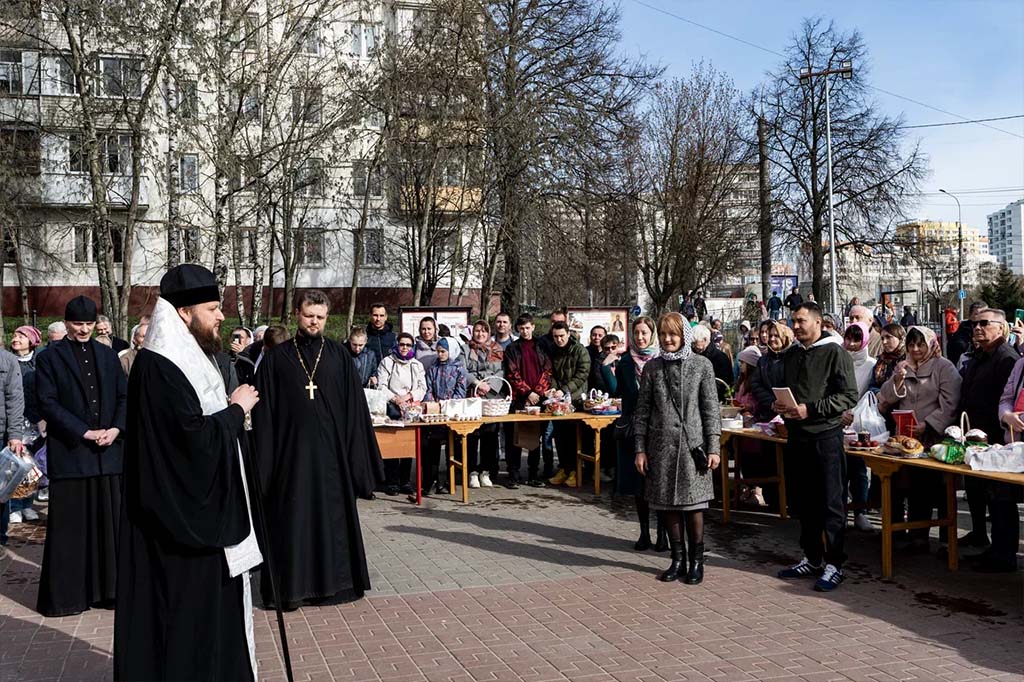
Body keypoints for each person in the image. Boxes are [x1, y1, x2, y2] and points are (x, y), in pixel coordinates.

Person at [114, 264, 263, 681]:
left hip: (194, 517)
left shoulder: (187, 356)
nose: (221, 316)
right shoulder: (162, 366)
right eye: (213, 308)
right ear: (184, 312)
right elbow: (191, 443)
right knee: (185, 625)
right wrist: (236, 410)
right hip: (181, 528)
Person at [252, 290, 385, 610]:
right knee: (292, 522)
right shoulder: (276, 358)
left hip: (331, 459)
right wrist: (264, 466)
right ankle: (292, 589)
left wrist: (358, 463)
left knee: (332, 522)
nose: (314, 321)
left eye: (321, 317)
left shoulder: (339, 356)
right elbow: (264, 415)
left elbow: (355, 413)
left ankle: (335, 586)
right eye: (309, 315)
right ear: (297, 313)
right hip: (290, 459)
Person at [35, 295, 128, 616]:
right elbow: (47, 402)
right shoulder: (50, 358)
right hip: (72, 454)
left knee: (109, 528)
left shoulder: (108, 355)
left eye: (89, 324)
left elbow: (122, 396)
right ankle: (68, 597)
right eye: (78, 324)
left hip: (108, 454)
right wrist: (83, 432)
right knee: (70, 531)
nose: (84, 329)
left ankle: (109, 592)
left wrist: (116, 429)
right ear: (67, 322)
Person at [775, 302, 858, 592]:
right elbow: (793, 392)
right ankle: (812, 557)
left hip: (826, 436)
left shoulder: (835, 352)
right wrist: (782, 405)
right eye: (793, 321)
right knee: (803, 501)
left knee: (831, 502)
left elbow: (848, 396)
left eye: (801, 321)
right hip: (798, 436)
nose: (795, 327)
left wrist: (811, 409)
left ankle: (835, 563)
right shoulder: (793, 353)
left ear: (818, 322)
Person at [635, 313, 721, 584]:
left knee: (693, 506)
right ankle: (677, 559)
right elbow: (643, 411)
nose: (668, 340)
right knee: (667, 505)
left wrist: (714, 447)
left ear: (684, 335)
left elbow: (710, 410)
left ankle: (697, 561)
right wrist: (640, 448)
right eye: (663, 335)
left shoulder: (702, 365)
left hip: (692, 448)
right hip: (661, 447)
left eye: (673, 334)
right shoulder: (652, 368)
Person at [877, 326, 961, 555]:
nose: (915, 349)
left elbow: (950, 403)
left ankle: (943, 539)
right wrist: (897, 379)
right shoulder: (903, 366)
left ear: (931, 344)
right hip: (905, 439)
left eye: (920, 344)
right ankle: (910, 534)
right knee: (905, 484)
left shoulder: (944, 367)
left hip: (934, 438)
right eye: (911, 345)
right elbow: (885, 397)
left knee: (934, 487)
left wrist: (929, 424)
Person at [959, 308, 1018, 571]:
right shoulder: (980, 356)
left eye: (984, 323)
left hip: (996, 437)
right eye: (975, 324)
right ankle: (982, 536)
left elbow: (1008, 398)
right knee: (977, 490)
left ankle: (1002, 553)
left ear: (1001, 327)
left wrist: (1002, 423)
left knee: (999, 496)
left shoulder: (1006, 358)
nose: (978, 328)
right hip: (975, 436)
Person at [604, 317, 667, 551]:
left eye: (644, 333)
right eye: (637, 333)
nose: (640, 337)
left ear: (652, 334)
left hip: (658, 427)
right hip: (633, 427)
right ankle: (643, 534)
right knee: (639, 484)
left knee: (659, 483)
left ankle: (663, 535)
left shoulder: (661, 359)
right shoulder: (627, 362)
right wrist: (606, 366)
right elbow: (616, 391)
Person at [503, 313, 553, 486]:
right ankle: (513, 474)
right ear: (517, 329)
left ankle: (533, 474)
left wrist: (537, 393)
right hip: (519, 398)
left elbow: (547, 371)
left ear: (533, 326)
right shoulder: (512, 348)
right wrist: (526, 393)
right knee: (514, 437)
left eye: (527, 327)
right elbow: (512, 373)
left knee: (535, 437)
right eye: (521, 328)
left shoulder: (543, 346)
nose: (525, 331)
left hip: (538, 398)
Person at [375, 332, 427, 495]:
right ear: (397, 345)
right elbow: (381, 386)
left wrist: (409, 396)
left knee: (407, 445)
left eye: (408, 345)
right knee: (392, 445)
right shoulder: (387, 362)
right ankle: (392, 482)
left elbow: (422, 387)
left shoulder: (416, 365)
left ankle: (405, 481)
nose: (405, 348)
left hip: (410, 407)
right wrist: (396, 399)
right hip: (392, 405)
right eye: (402, 344)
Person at [840, 322, 877, 532]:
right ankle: (842, 511)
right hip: (839, 421)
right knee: (840, 471)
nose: (852, 344)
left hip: (861, 422)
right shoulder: (839, 361)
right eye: (849, 338)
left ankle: (861, 512)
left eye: (856, 339)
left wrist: (855, 413)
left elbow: (870, 393)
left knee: (859, 470)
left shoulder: (871, 364)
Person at [547, 321, 591, 487]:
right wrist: (553, 388)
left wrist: (564, 390)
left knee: (574, 437)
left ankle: (575, 470)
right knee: (560, 435)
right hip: (559, 401)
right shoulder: (553, 351)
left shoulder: (580, 350)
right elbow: (552, 373)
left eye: (562, 336)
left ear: (568, 334)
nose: (559, 340)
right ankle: (564, 468)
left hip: (576, 399)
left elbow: (582, 375)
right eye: (556, 337)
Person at [6, 326, 42, 524]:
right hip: (15, 421)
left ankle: (27, 503)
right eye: (15, 335)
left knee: (31, 466)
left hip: (36, 422)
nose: (16, 339)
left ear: (32, 341)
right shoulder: (8, 362)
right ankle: (14, 507)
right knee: (14, 466)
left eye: (21, 336)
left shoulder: (39, 363)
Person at [422, 338, 468, 494]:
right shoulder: (433, 368)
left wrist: (447, 404)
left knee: (453, 448)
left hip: (452, 413)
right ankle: (431, 481)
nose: (440, 354)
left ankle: (451, 480)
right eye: (438, 351)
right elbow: (428, 388)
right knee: (431, 447)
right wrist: (433, 404)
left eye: (443, 351)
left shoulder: (458, 368)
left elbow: (461, 390)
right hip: (436, 414)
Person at [463, 320, 505, 487]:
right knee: (472, 436)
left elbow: (501, 371)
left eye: (484, 331)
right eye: (477, 331)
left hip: (491, 398)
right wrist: (476, 384)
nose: (480, 334)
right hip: (472, 395)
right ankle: (472, 471)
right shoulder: (466, 349)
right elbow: (462, 369)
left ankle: (485, 471)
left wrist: (489, 387)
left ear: (489, 333)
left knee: (490, 436)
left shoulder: (497, 349)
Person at [0, 339, 25, 549]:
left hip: (0, 433)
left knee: (0, 491)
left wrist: (15, 434)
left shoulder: (7, 361)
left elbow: (15, 399)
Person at [751, 321, 795, 423]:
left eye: (776, 336)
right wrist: (771, 402)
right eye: (770, 335)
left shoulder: (794, 358)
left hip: (789, 415)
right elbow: (756, 384)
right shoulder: (763, 361)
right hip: (767, 413)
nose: (771, 339)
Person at [691, 324, 732, 402]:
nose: (694, 346)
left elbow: (723, 383)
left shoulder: (720, 358)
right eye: (692, 343)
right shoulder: (693, 356)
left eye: (695, 342)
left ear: (705, 339)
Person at [947, 300, 987, 367]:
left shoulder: (991, 333)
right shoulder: (959, 340)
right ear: (970, 316)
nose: (982, 317)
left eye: (985, 313)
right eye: (977, 314)